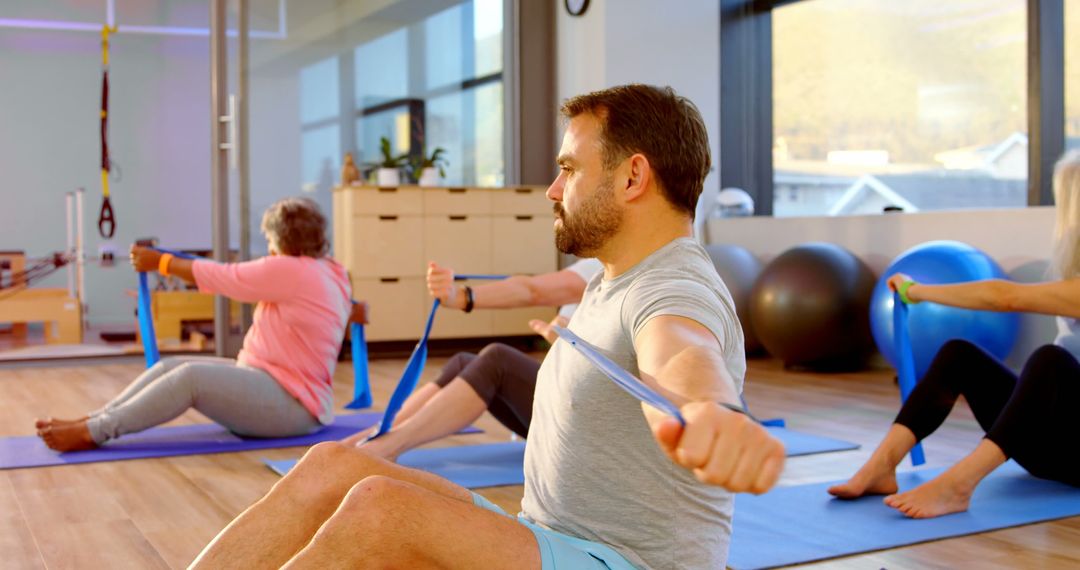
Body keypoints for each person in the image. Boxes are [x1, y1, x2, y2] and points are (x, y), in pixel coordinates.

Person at [191, 84, 785, 570]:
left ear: (633, 178)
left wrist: (706, 411)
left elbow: (681, 352)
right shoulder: (613, 277)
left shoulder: (673, 284)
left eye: (569, 169)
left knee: (380, 508)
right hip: (552, 537)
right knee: (331, 465)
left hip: (623, 562)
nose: (553, 190)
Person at [829, 150, 1080, 519]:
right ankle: (881, 467)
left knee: (1051, 361)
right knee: (959, 355)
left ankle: (959, 484)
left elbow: (1005, 297)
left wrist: (919, 291)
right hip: (1051, 447)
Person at [35, 198, 351, 452]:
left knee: (190, 379)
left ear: (282, 240)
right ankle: (92, 420)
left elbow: (224, 276)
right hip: (276, 388)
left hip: (292, 406)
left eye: (269, 239)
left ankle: (93, 432)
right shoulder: (328, 271)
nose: (268, 247)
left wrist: (161, 263)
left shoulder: (293, 270)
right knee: (170, 366)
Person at [343, 257, 602, 458]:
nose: (555, 193)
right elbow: (530, 289)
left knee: (498, 360)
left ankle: (386, 448)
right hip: (570, 403)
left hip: (591, 429)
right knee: (463, 362)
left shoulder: (610, 270)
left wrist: (462, 297)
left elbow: (532, 291)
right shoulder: (596, 267)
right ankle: (377, 434)